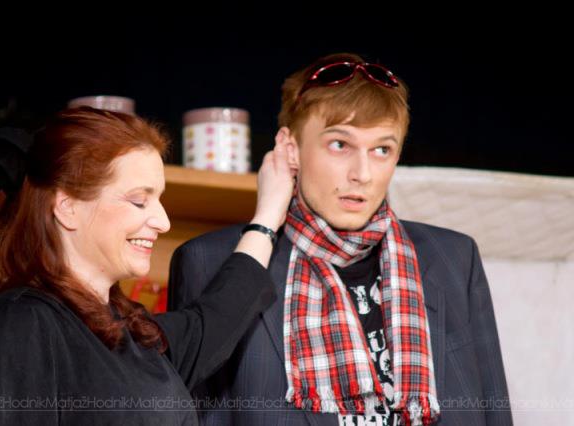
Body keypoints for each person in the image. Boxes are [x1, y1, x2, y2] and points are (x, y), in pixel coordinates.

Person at [168, 53, 513, 425]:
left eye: (382, 149)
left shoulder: (454, 259)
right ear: (290, 148)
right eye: (339, 145)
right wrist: (267, 216)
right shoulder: (211, 261)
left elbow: (494, 412)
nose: (362, 173)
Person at [0, 106, 296, 425]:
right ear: (67, 207)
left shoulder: (132, 336)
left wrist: (268, 214)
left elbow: (220, 314)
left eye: (158, 200)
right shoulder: (21, 322)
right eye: (138, 201)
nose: (162, 221)